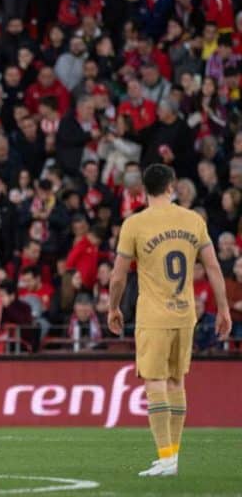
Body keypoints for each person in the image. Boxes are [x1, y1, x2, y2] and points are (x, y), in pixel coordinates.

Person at [107, 164, 231, 477]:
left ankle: (165, 458)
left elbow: (119, 276)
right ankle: (170, 457)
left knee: (155, 382)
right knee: (177, 381)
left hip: (154, 315)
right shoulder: (193, 220)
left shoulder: (135, 224)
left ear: (142, 191)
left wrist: (113, 308)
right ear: (171, 186)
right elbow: (214, 267)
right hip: (186, 314)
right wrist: (224, 309)